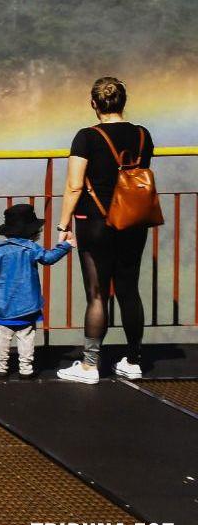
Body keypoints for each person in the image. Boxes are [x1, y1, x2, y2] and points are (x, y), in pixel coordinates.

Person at [56, 77, 155, 384]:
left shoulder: (86, 137)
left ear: (93, 104)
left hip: (94, 221)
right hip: (133, 220)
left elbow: (74, 185)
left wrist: (63, 225)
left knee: (97, 295)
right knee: (128, 289)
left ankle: (89, 365)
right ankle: (134, 360)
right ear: (123, 101)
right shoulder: (142, 135)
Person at [0, 204, 70, 377]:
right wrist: (65, 246)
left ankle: (0, 367)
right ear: (32, 232)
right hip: (28, 306)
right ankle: (26, 369)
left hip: (2, 306)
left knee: (3, 337)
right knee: (26, 336)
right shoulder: (31, 248)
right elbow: (49, 258)